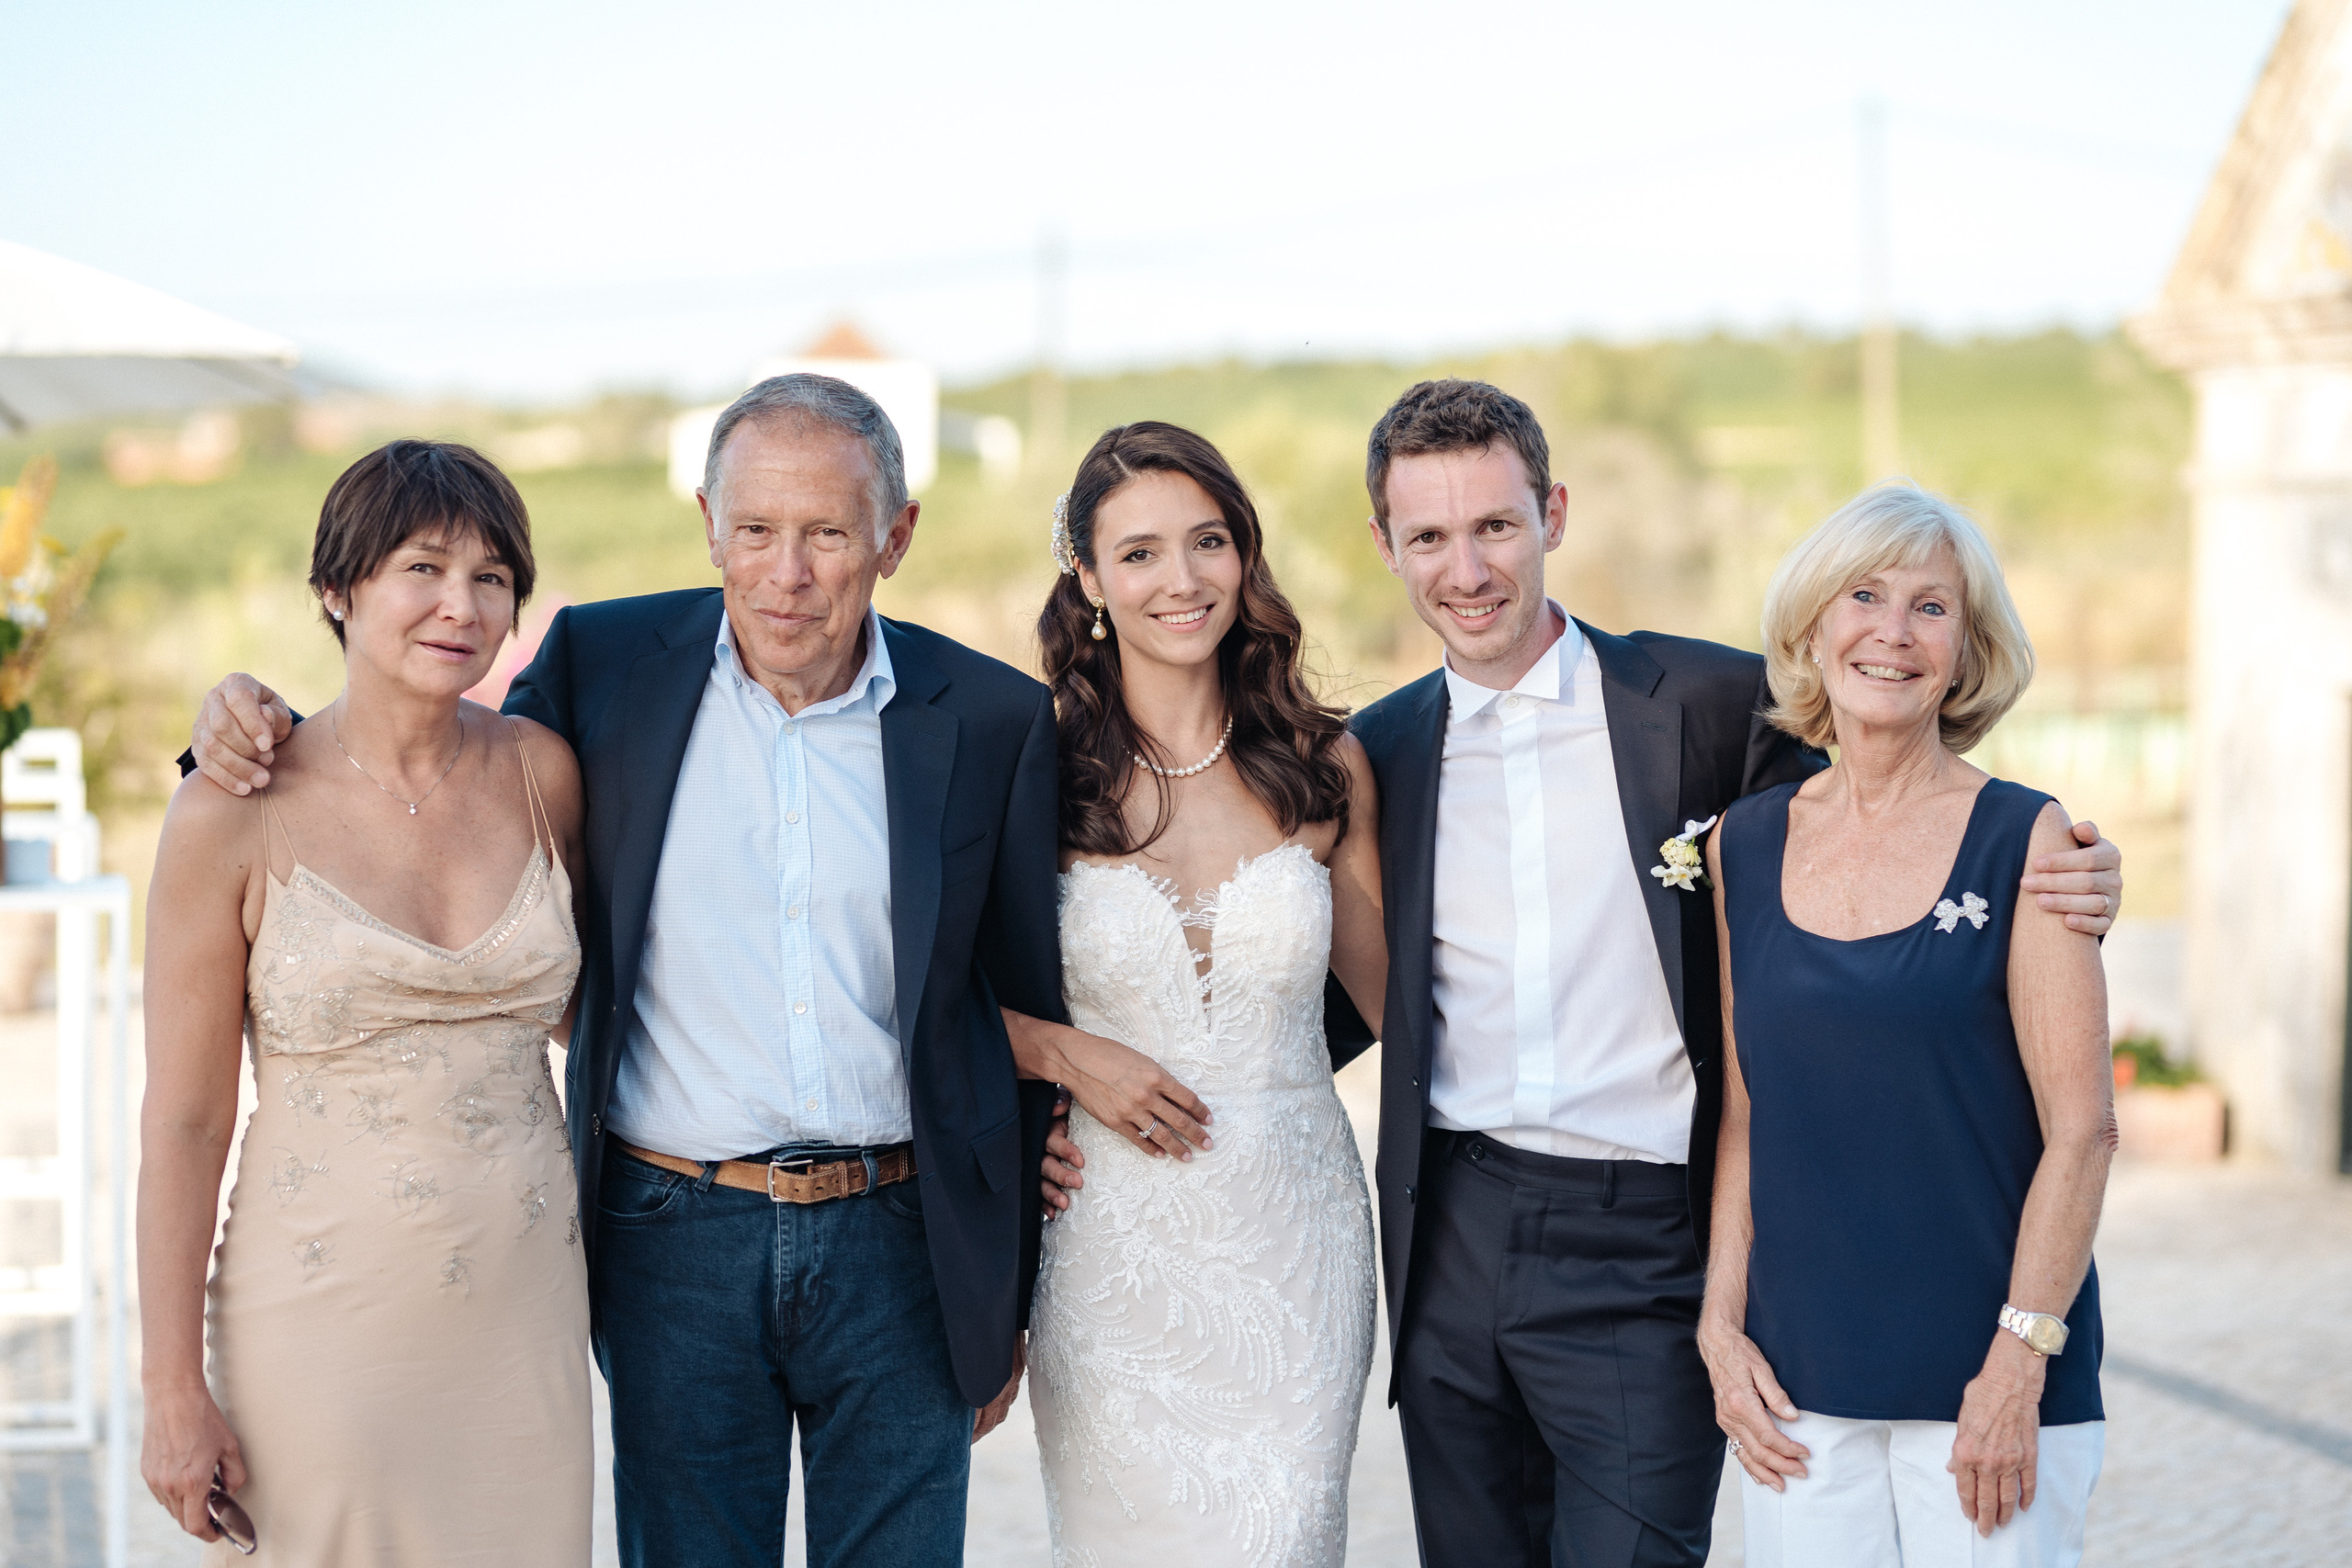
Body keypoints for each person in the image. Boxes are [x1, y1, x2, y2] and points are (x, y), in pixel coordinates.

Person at [180, 375, 1066, 1568]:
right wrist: (236, 721)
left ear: (895, 536)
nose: (785, 572)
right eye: (754, 529)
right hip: (669, 1231)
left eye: (826, 533)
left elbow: (1016, 998)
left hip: (903, 1240)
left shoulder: (997, 719)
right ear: (707, 519)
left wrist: (1000, 1279)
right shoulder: (603, 667)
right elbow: (418, 746)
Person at [1326, 380, 2126, 1568]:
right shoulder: (1373, 752)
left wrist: (2083, 868)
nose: (1468, 567)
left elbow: (1894, 754)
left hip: (1647, 1224)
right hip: (1455, 1232)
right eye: (1430, 535)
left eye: (1495, 524)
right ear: (1385, 545)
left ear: (1551, 512)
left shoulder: (1702, 703)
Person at [141, 440, 593, 1563]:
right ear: (337, 590)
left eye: (493, 577)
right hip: (319, 1328)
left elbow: (615, 1019)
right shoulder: (231, 806)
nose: (461, 605)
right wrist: (168, 1389)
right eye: (423, 568)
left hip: (524, 1318)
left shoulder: (546, 773)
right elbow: (186, 1122)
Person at [1697, 484, 2111, 1566]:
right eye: (1863, 595)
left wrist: (2019, 1363)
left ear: (1968, 651)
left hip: (1988, 1381)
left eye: (1931, 608)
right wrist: (1719, 1326)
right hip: (1797, 1387)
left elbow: (2083, 1131)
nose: (1891, 630)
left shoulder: (2031, 842)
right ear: (1811, 627)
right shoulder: (1742, 843)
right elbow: (1749, 1113)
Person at [1001, 423, 1387, 1566]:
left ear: (1244, 557)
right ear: (1086, 579)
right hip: (1110, 1248)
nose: (1180, 580)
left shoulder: (1324, 765)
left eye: (1207, 542)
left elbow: (1401, 1012)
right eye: (1139, 553)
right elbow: (933, 999)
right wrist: (1064, 1061)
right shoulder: (1032, 767)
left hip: (1296, 1244)